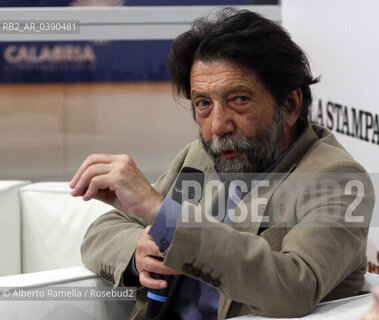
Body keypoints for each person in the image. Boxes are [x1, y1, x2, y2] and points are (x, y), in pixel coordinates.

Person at [70, 8, 375, 319]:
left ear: (290, 104)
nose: (217, 125)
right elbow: (102, 232)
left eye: (239, 99)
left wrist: (163, 213)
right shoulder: (198, 159)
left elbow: (294, 286)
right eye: (204, 103)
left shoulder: (335, 178)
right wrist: (137, 252)